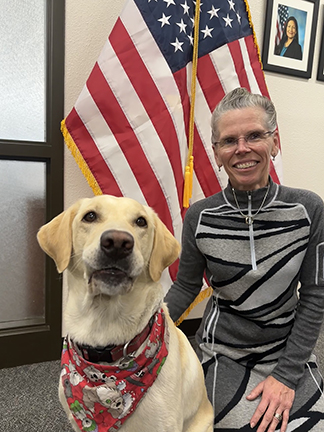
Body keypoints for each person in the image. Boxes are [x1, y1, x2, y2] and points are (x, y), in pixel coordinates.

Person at [165, 87, 324, 431]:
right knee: (244, 426)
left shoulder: (309, 209)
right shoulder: (199, 217)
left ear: (274, 141)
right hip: (224, 350)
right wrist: (142, 330)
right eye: (229, 141)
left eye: (255, 135)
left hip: (287, 347)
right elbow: (185, 287)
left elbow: (315, 297)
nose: (242, 149)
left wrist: (285, 376)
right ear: (217, 153)